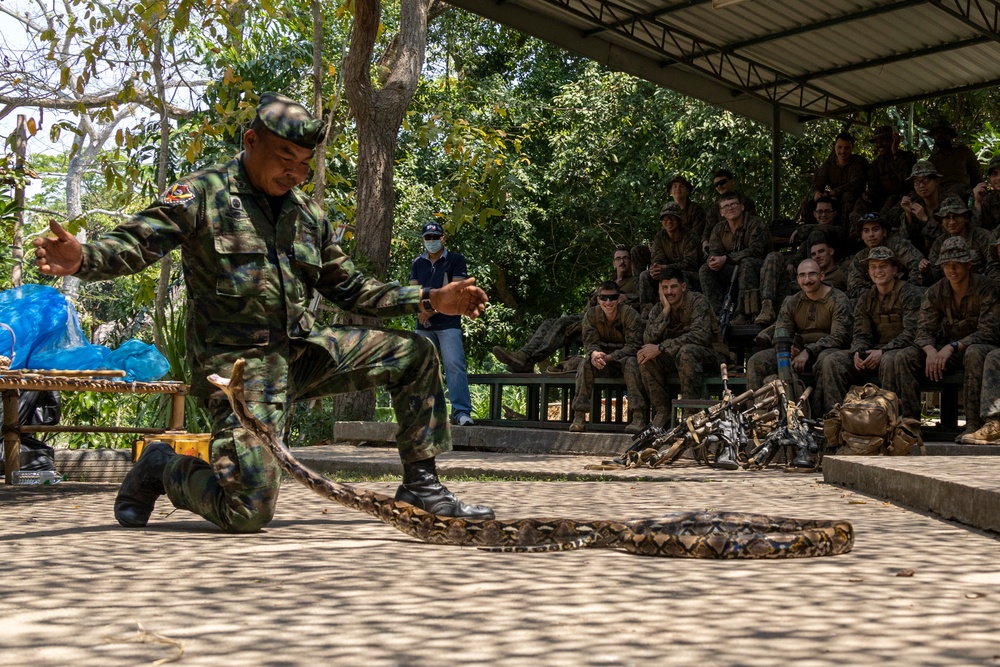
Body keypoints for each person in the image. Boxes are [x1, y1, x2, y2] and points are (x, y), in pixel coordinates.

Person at [33, 92, 495, 530]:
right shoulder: (202, 194)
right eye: (283, 159)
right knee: (247, 512)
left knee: (414, 352)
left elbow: (350, 289)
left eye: (303, 165)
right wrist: (83, 259)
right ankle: (160, 466)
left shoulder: (308, 216)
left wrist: (430, 299)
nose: (293, 173)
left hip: (301, 353)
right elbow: (135, 242)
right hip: (238, 373)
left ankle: (421, 485)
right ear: (251, 142)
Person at [891, 237, 1000, 436]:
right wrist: (930, 351)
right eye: (947, 265)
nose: (952, 270)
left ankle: (974, 424)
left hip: (979, 348)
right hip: (945, 350)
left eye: (957, 264)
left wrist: (953, 346)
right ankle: (910, 426)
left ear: (968, 264)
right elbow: (923, 330)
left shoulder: (986, 288)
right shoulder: (936, 291)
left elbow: (989, 331)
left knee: (974, 353)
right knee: (904, 356)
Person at [492, 246, 639, 373]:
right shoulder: (607, 284)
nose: (622, 261)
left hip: (609, 323)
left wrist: (624, 298)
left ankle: (527, 360)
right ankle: (524, 355)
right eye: (618, 259)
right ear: (614, 263)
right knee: (549, 322)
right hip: (590, 317)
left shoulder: (635, 282)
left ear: (631, 262)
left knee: (563, 322)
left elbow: (637, 304)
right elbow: (588, 308)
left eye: (625, 258)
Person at [813, 246, 922, 414]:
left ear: (894, 269)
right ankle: (837, 420)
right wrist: (858, 352)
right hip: (873, 353)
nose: (878, 271)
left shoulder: (909, 294)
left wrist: (883, 351)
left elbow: (911, 334)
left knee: (891, 360)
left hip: (902, 351)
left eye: (883, 266)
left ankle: (898, 423)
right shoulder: (866, 297)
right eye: (873, 267)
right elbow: (861, 333)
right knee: (832, 361)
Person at [746, 258, 853, 416]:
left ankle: (827, 418)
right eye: (802, 275)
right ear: (797, 279)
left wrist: (808, 351)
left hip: (829, 351)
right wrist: (792, 347)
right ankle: (758, 416)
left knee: (827, 360)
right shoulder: (792, 301)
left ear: (822, 276)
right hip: (800, 353)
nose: (807, 280)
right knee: (757, 361)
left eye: (812, 275)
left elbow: (839, 337)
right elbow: (784, 330)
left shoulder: (838, 299)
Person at [638, 268, 726, 429]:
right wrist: (665, 311)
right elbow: (648, 339)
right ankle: (662, 412)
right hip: (676, 356)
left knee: (687, 352)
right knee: (645, 356)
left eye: (673, 287)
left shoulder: (697, 301)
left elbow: (701, 336)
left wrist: (661, 347)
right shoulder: (659, 308)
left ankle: (689, 414)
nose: (669, 292)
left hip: (710, 355)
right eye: (665, 288)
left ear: (683, 287)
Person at [410, 221, 475, 426]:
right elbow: (413, 293)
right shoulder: (416, 264)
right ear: (423, 240)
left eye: (435, 237)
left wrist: (430, 310)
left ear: (443, 238)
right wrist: (423, 310)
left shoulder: (456, 260)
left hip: (448, 323)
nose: (432, 241)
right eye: (428, 238)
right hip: (424, 327)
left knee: (454, 365)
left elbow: (456, 293)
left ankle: (461, 412)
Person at [569, 281, 646, 434]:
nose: (608, 302)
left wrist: (611, 356)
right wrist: (594, 354)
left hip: (624, 359)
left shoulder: (630, 315)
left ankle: (638, 416)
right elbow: (590, 342)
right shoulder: (591, 315)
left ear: (619, 299)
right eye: (604, 298)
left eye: (612, 298)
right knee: (585, 363)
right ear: (598, 299)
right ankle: (579, 416)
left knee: (632, 363)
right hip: (603, 362)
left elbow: (634, 346)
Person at [699, 191, 771, 323]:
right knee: (705, 269)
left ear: (742, 207)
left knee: (746, 263)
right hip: (732, 270)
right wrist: (713, 261)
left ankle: (742, 313)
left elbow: (756, 250)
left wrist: (726, 258)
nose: (730, 208)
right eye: (726, 206)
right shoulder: (718, 229)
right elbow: (715, 252)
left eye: (734, 204)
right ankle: (717, 313)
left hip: (759, 269)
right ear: (721, 212)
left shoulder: (756, 224)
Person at [637, 201, 701, 316]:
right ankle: (647, 312)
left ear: (679, 220)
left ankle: (685, 312)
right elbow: (657, 259)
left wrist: (666, 267)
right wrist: (655, 269)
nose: (669, 222)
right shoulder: (660, 237)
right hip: (667, 272)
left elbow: (690, 263)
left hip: (692, 274)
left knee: (680, 276)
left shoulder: (690, 236)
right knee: (644, 275)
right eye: (665, 219)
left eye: (672, 218)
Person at [846, 215, 925, 299]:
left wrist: (903, 290)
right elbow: (854, 288)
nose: (871, 234)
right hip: (875, 299)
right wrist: (878, 295)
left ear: (884, 232)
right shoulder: (860, 257)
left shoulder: (899, 245)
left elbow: (918, 267)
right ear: (862, 235)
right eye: (866, 231)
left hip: (904, 293)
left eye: (875, 229)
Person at [920, 196, 992, 284]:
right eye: (947, 217)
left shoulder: (982, 236)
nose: (952, 222)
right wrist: (926, 271)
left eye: (956, 216)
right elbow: (937, 275)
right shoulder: (939, 243)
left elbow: (994, 266)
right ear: (941, 221)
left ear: (965, 218)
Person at [805, 132, 868, 227]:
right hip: (834, 199)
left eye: (846, 148)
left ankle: (846, 231)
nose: (843, 151)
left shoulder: (859, 162)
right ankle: (810, 230)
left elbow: (855, 185)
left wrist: (831, 193)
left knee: (847, 196)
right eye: (840, 147)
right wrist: (816, 193)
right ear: (835, 147)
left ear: (852, 148)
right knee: (806, 202)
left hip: (855, 198)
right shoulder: (828, 164)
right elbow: (817, 184)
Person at [856, 125, 917, 218]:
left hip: (905, 198)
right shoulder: (875, 164)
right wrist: (868, 194)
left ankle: (882, 223)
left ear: (893, 140)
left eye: (883, 140)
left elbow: (908, 180)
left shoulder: (908, 157)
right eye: (877, 142)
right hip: (884, 199)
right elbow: (875, 188)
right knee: (860, 202)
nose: (879, 144)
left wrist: (895, 153)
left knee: (892, 200)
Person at [894, 160, 946, 255]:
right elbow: (904, 239)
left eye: (925, 180)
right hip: (921, 257)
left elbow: (952, 235)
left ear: (936, 181)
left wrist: (926, 220)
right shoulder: (915, 202)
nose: (921, 185)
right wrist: (908, 214)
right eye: (916, 182)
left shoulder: (950, 200)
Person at [704, 169, 757, 254]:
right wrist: (705, 241)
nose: (720, 186)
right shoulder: (715, 207)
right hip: (721, 245)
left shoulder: (745, 202)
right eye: (716, 185)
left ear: (731, 181)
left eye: (722, 182)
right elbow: (709, 227)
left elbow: (749, 224)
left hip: (744, 246)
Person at [927, 119, 981, 199]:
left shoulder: (964, 153)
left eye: (943, 132)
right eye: (936, 133)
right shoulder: (932, 159)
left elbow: (976, 178)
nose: (940, 135)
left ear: (950, 135)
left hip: (961, 192)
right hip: (940, 194)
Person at [666, 174, 708, 243]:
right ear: (670, 191)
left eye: (681, 186)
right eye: (675, 186)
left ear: (687, 191)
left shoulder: (696, 209)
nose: (678, 189)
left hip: (691, 246)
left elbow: (697, 233)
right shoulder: (668, 211)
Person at [972, 155, 1000, 232]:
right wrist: (978, 202)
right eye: (994, 174)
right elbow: (976, 229)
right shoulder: (989, 200)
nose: (998, 178)